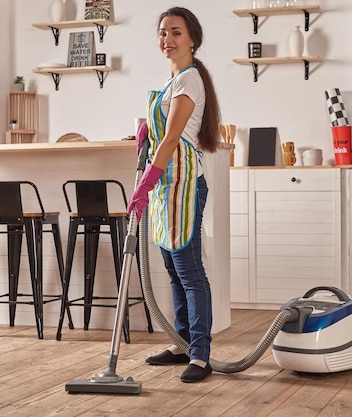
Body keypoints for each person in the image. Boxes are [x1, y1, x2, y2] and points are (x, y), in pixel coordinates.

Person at [127, 6, 221, 383]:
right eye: (163, 33)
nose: (167, 39)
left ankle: (200, 354)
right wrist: (144, 130)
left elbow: (173, 139)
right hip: (170, 187)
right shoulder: (173, 81)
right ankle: (182, 343)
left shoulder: (190, 80)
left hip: (184, 185)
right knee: (172, 270)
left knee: (190, 271)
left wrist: (145, 182)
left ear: (192, 39)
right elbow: (163, 131)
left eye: (176, 33)